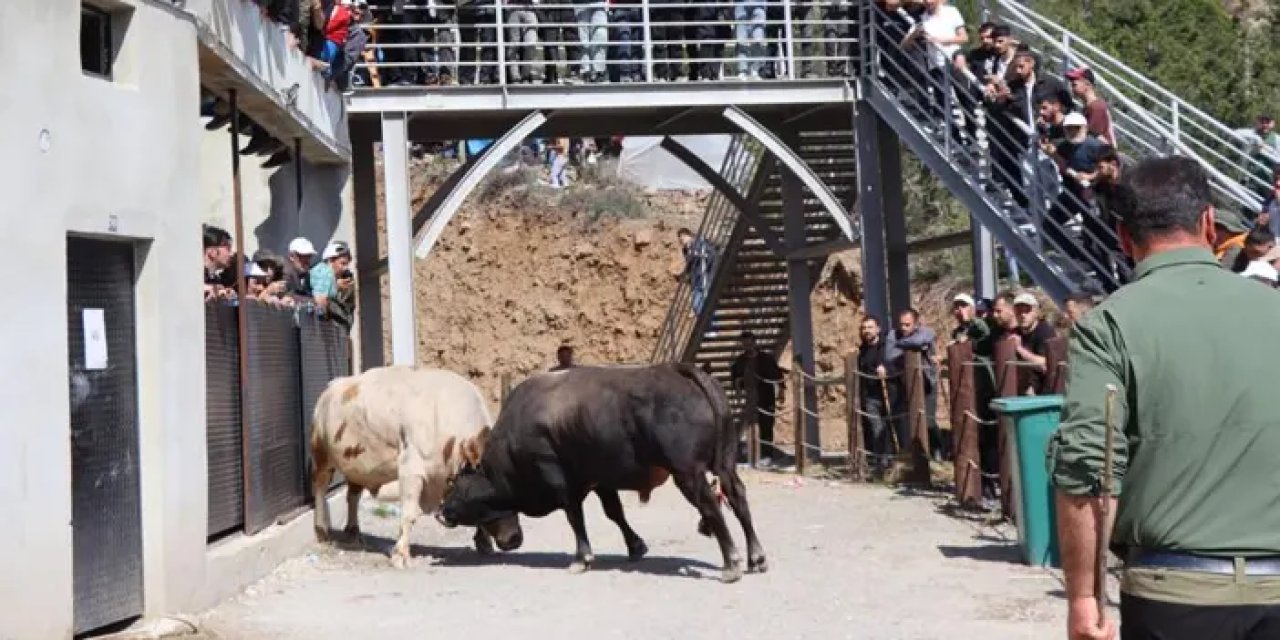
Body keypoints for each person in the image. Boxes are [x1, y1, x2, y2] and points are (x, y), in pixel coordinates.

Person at [1047, 156, 1280, 640]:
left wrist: (1084, 599)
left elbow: (1089, 469)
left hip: (1172, 596)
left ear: (1122, 237)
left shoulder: (1108, 325)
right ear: (1210, 224)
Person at [729, 331, 784, 467]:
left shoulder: (766, 359)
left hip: (766, 397)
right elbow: (735, 378)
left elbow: (778, 375)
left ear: (754, 342)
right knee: (749, 427)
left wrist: (782, 391)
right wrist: (738, 393)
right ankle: (752, 455)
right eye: (745, 343)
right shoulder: (740, 361)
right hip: (750, 399)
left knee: (766, 426)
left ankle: (767, 455)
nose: (747, 346)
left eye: (749, 343)